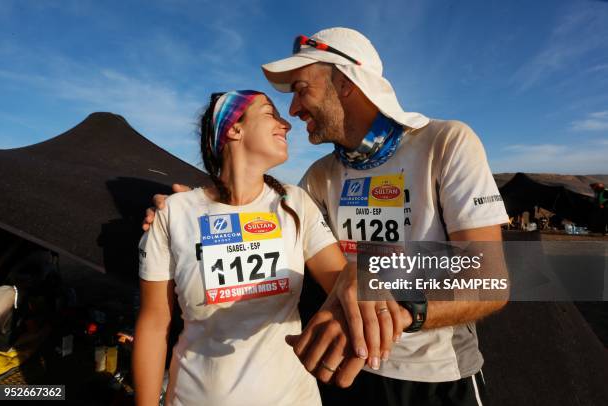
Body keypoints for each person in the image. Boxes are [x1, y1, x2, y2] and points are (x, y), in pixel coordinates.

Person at [145, 28, 509, 405]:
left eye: (302, 89)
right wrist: (195, 210)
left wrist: (389, 298)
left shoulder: (446, 142)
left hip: (435, 377)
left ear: (346, 82)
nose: (293, 111)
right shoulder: (318, 177)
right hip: (342, 372)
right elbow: (271, 228)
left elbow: (491, 276)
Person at [133, 90, 400, 405]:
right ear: (234, 129)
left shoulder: (295, 203)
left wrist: (358, 274)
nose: (287, 124)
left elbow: (343, 283)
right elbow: (153, 325)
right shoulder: (174, 213)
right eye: (271, 113)